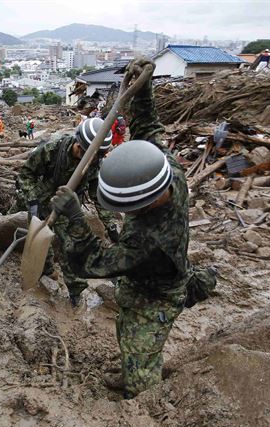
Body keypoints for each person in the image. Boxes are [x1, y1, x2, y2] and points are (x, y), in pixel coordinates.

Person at [51, 57, 216, 399]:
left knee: (142, 369)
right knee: (125, 332)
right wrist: (142, 88)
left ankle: (141, 401)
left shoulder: (147, 242)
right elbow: (149, 129)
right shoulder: (166, 168)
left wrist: (74, 217)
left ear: (144, 202)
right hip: (138, 283)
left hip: (159, 294)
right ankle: (130, 369)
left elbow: (92, 263)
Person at [17, 117, 115, 306]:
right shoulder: (52, 150)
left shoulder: (94, 164)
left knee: (70, 247)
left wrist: (109, 223)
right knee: (39, 240)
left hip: (68, 206)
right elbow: (26, 174)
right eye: (86, 153)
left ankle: (76, 290)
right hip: (42, 199)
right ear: (78, 143)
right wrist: (32, 201)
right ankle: (45, 270)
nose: (90, 159)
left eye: (96, 156)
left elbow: (98, 196)